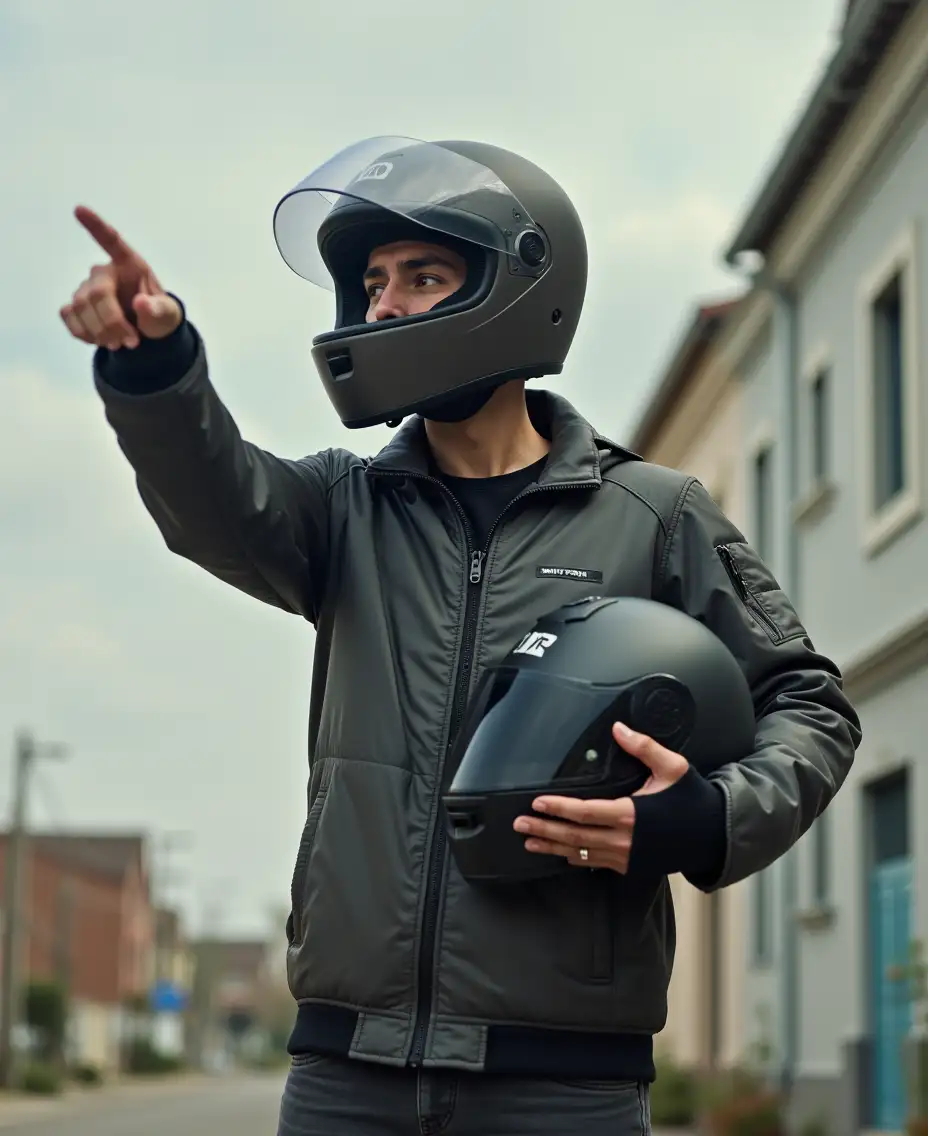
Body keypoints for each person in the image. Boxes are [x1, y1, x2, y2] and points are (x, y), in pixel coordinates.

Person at [60, 137, 860, 1136]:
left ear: (520, 285)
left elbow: (809, 705)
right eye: (372, 283)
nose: (385, 305)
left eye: (423, 275)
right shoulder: (344, 507)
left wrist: (702, 817)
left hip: (565, 1081)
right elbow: (214, 497)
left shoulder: (654, 515)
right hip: (347, 1071)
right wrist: (155, 366)